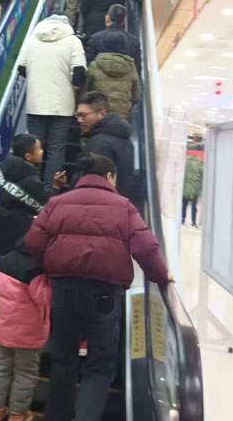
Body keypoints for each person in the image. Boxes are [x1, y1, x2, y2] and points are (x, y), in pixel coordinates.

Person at [24, 152, 170, 421]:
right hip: (104, 293)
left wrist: (51, 264)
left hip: (63, 289)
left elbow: (32, 241)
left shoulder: (57, 202)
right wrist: (161, 277)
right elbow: (145, 248)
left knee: (62, 361)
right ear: (109, 176)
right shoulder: (124, 206)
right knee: (100, 366)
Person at [17, 11, 86, 188]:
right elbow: (79, 73)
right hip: (62, 106)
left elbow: (21, 68)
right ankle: (50, 189)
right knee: (57, 149)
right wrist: (73, 90)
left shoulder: (32, 39)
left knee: (33, 148)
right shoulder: (73, 41)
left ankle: (31, 187)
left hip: (36, 104)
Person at [0, 242, 50, 421]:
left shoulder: (3, 260)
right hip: (28, 335)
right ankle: (18, 414)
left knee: (0, 366)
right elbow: (45, 298)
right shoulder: (35, 269)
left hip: (2, 328)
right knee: (25, 373)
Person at [0, 134, 66, 255]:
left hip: (1, 225)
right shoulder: (32, 182)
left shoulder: (5, 166)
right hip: (21, 232)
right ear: (28, 156)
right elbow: (46, 206)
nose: (42, 151)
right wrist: (56, 187)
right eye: (39, 148)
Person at [75, 92, 135, 201]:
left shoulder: (98, 143)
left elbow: (92, 185)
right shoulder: (122, 137)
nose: (79, 120)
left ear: (102, 114)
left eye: (84, 115)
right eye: (77, 115)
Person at [85, 50, 140, 120]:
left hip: (98, 113)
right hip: (122, 116)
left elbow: (86, 90)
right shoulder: (131, 67)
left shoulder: (94, 65)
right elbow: (135, 95)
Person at [182, 155, 203, 228]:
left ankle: (182, 220)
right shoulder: (199, 165)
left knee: (184, 205)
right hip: (194, 190)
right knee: (194, 207)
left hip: (185, 189)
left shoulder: (185, 163)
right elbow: (201, 178)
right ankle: (193, 222)